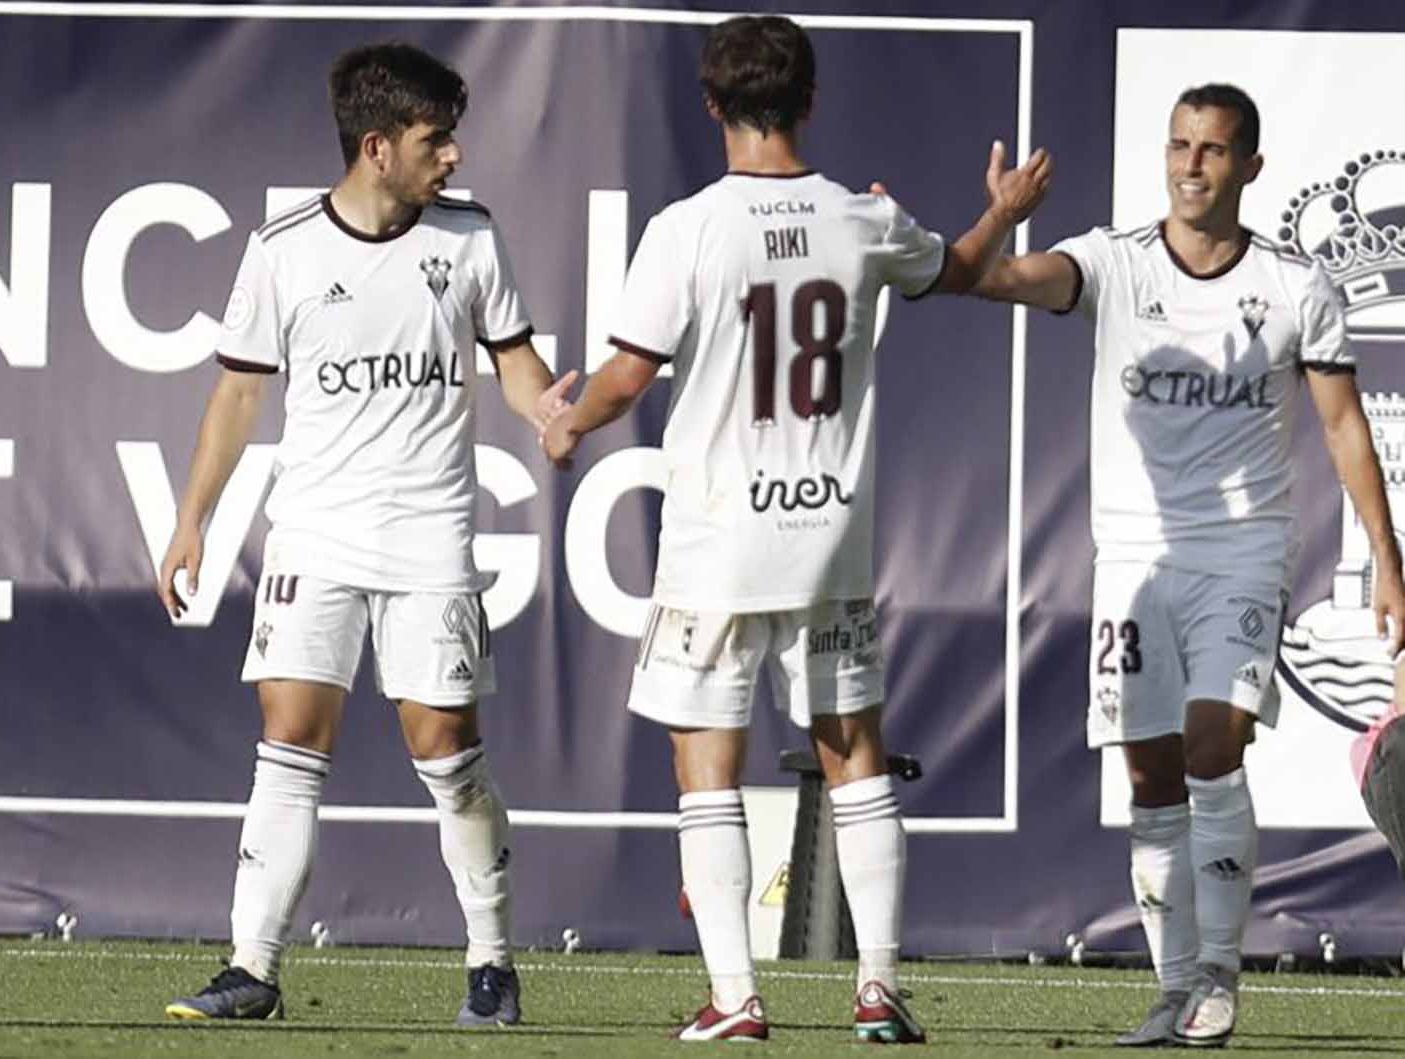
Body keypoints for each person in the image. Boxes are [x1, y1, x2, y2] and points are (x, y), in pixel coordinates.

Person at [540, 14, 1050, 1043]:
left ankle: (737, 998)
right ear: (809, 102)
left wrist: (564, 421)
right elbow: (953, 272)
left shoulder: (687, 228)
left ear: (712, 105)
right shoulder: (861, 218)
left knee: (706, 764)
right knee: (852, 751)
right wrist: (999, 214)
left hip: (719, 540)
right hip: (829, 535)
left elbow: (628, 376)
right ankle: (877, 988)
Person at [969, 83, 1405, 1046]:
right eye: (1179, 146)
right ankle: (1173, 985)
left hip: (1242, 556)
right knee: (1149, 773)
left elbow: (1341, 428)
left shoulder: (1297, 287)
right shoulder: (1111, 264)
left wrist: (1385, 555)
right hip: (1130, 559)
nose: (1190, 166)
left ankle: (1216, 973)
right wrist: (1001, 218)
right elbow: (991, 281)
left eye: (1211, 150)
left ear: (1249, 166)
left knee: (1216, 748)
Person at [156, 41, 573, 1027]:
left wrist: (548, 409)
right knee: (288, 740)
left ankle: (492, 961)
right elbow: (237, 391)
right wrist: (192, 522)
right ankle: (251, 969)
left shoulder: (469, 240)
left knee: (447, 754)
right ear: (377, 147)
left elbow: (514, 363)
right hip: (313, 538)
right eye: (436, 139)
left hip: (429, 535)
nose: (455, 156)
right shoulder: (285, 246)